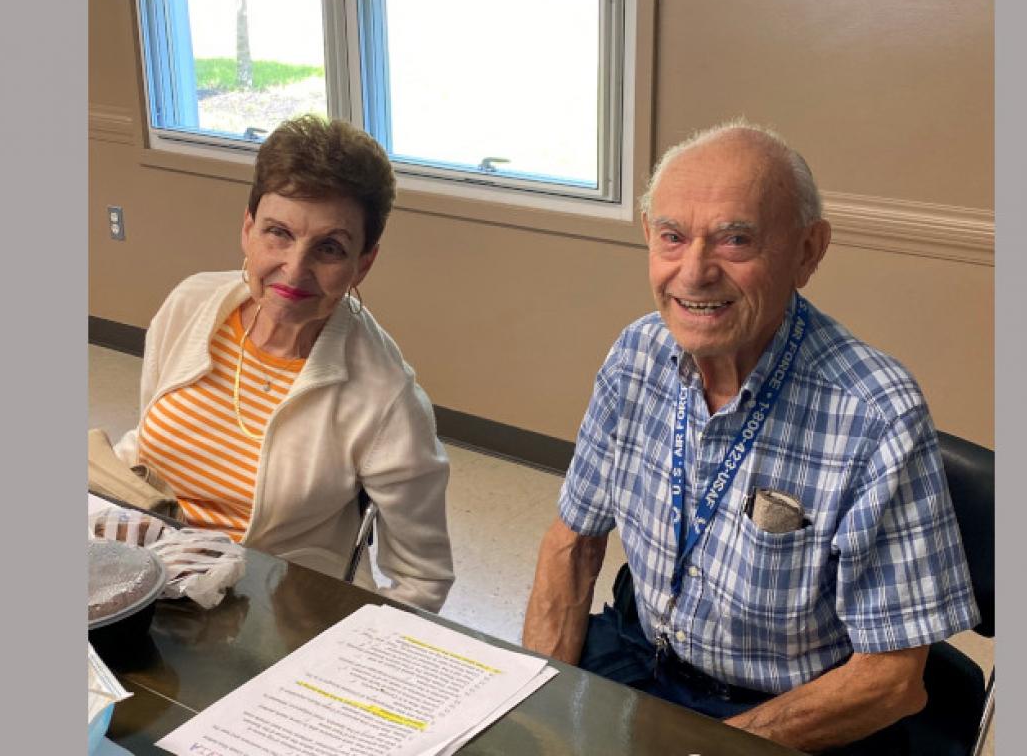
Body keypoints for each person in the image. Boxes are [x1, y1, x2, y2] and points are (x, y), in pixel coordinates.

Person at [522, 120, 980, 753]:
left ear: (808, 251)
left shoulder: (876, 416)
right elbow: (572, 543)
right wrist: (537, 704)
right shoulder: (636, 356)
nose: (694, 273)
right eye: (672, 237)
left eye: (735, 240)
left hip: (790, 710)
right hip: (642, 651)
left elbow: (890, 681)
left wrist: (704, 749)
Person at [114, 115, 453, 613]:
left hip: (264, 618)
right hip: (138, 582)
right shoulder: (190, 305)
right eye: (278, 233)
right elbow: (146, 439)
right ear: (248, 229)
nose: (295, 270)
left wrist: (338, 650)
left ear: (363, 263)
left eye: (330, 248)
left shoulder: (386, 399)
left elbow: (422, 580)